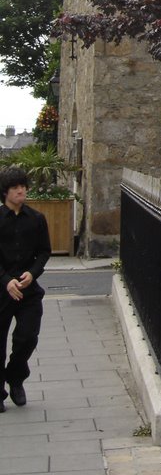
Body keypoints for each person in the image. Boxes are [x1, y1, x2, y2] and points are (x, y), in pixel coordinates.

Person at [0, 166, 51, 412]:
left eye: (23, 186)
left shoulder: (37, 219)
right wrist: (5, 280)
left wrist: (33, 273)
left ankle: (16, 376)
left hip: (28, 291)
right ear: (5, 192)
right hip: (2, 290)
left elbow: (44, 251)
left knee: (27, 337)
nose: (21, 190)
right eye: (15, 187)